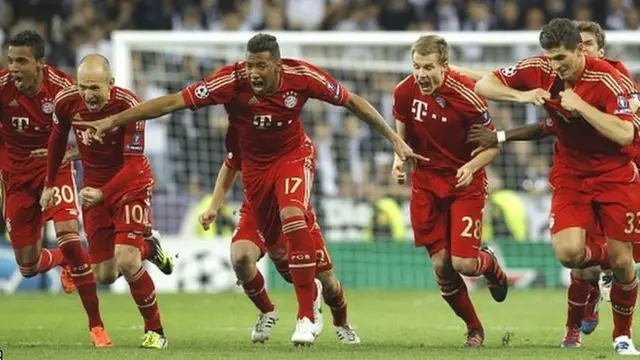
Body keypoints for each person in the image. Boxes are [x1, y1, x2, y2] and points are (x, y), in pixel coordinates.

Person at [72, 33, 424, 345]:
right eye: (249, 64)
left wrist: (394, 139)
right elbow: (173, 102)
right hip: (255, 176)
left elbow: (352, 101)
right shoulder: (230, 82)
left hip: (293, 157)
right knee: (268, 260)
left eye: (261, 66)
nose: (253, 72)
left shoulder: (301, 76)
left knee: (294, 219)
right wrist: (114, 120)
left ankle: (307, 316)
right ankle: (279, 306)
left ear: (276, 65)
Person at [463, 20, 640, 348]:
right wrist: (521, 95)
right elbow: (485, 84)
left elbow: (625, 133)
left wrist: (581, 106)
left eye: (561, 58)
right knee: (571, 255)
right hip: (571, 175)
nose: (555, 66)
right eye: (551, 58)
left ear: (581, 50)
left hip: (615, 175)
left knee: (622, 262)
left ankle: (622, 337)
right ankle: (603, 274)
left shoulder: (611, 79)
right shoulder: (539, 67)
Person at [41, 54, 174, 349]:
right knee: (105, 274)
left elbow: (133, 164)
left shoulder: (128, 105)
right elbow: (57, 139)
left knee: (127, 260)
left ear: (110, 85)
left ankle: (155, 331)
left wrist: (104, 193)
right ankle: (150, 246)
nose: (88, 95)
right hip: (94, 189)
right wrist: (50, 184)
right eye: (83, 87)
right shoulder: (66, 102)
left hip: (131, 184)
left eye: (95, 88)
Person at [391, 35, 509, 347]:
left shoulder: (469, 97)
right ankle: (474, 329)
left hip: (464, 183)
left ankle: (491, 266)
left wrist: (471, 167)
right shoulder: (404, 91)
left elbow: (493, 147)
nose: (421, 74)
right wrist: (398, 160)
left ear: (445, 66)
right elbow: (401, 138)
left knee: (464, 264)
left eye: (428, 67)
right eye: (416, 66)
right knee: (441, 266)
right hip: (427, 185)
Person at [198, 123, 360, 344]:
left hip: (293, 211)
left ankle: (341, 324)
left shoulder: (289, 134)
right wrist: (213, 206)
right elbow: (231, 164)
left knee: (328, 283)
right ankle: (268, 310)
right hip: (256, 210)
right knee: (241, 257)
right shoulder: (242, 124)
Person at [0, 30, 110, 347]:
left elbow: (93, 131)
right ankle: (64, 260)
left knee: (71, 239)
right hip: (15, 179)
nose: (14, 68)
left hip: (56, 170)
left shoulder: (63, 89)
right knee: (28, 267)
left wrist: (70, 154)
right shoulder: (3, 88)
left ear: (41, 64)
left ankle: (97, 326)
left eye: (22, 61)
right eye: (10, 61)